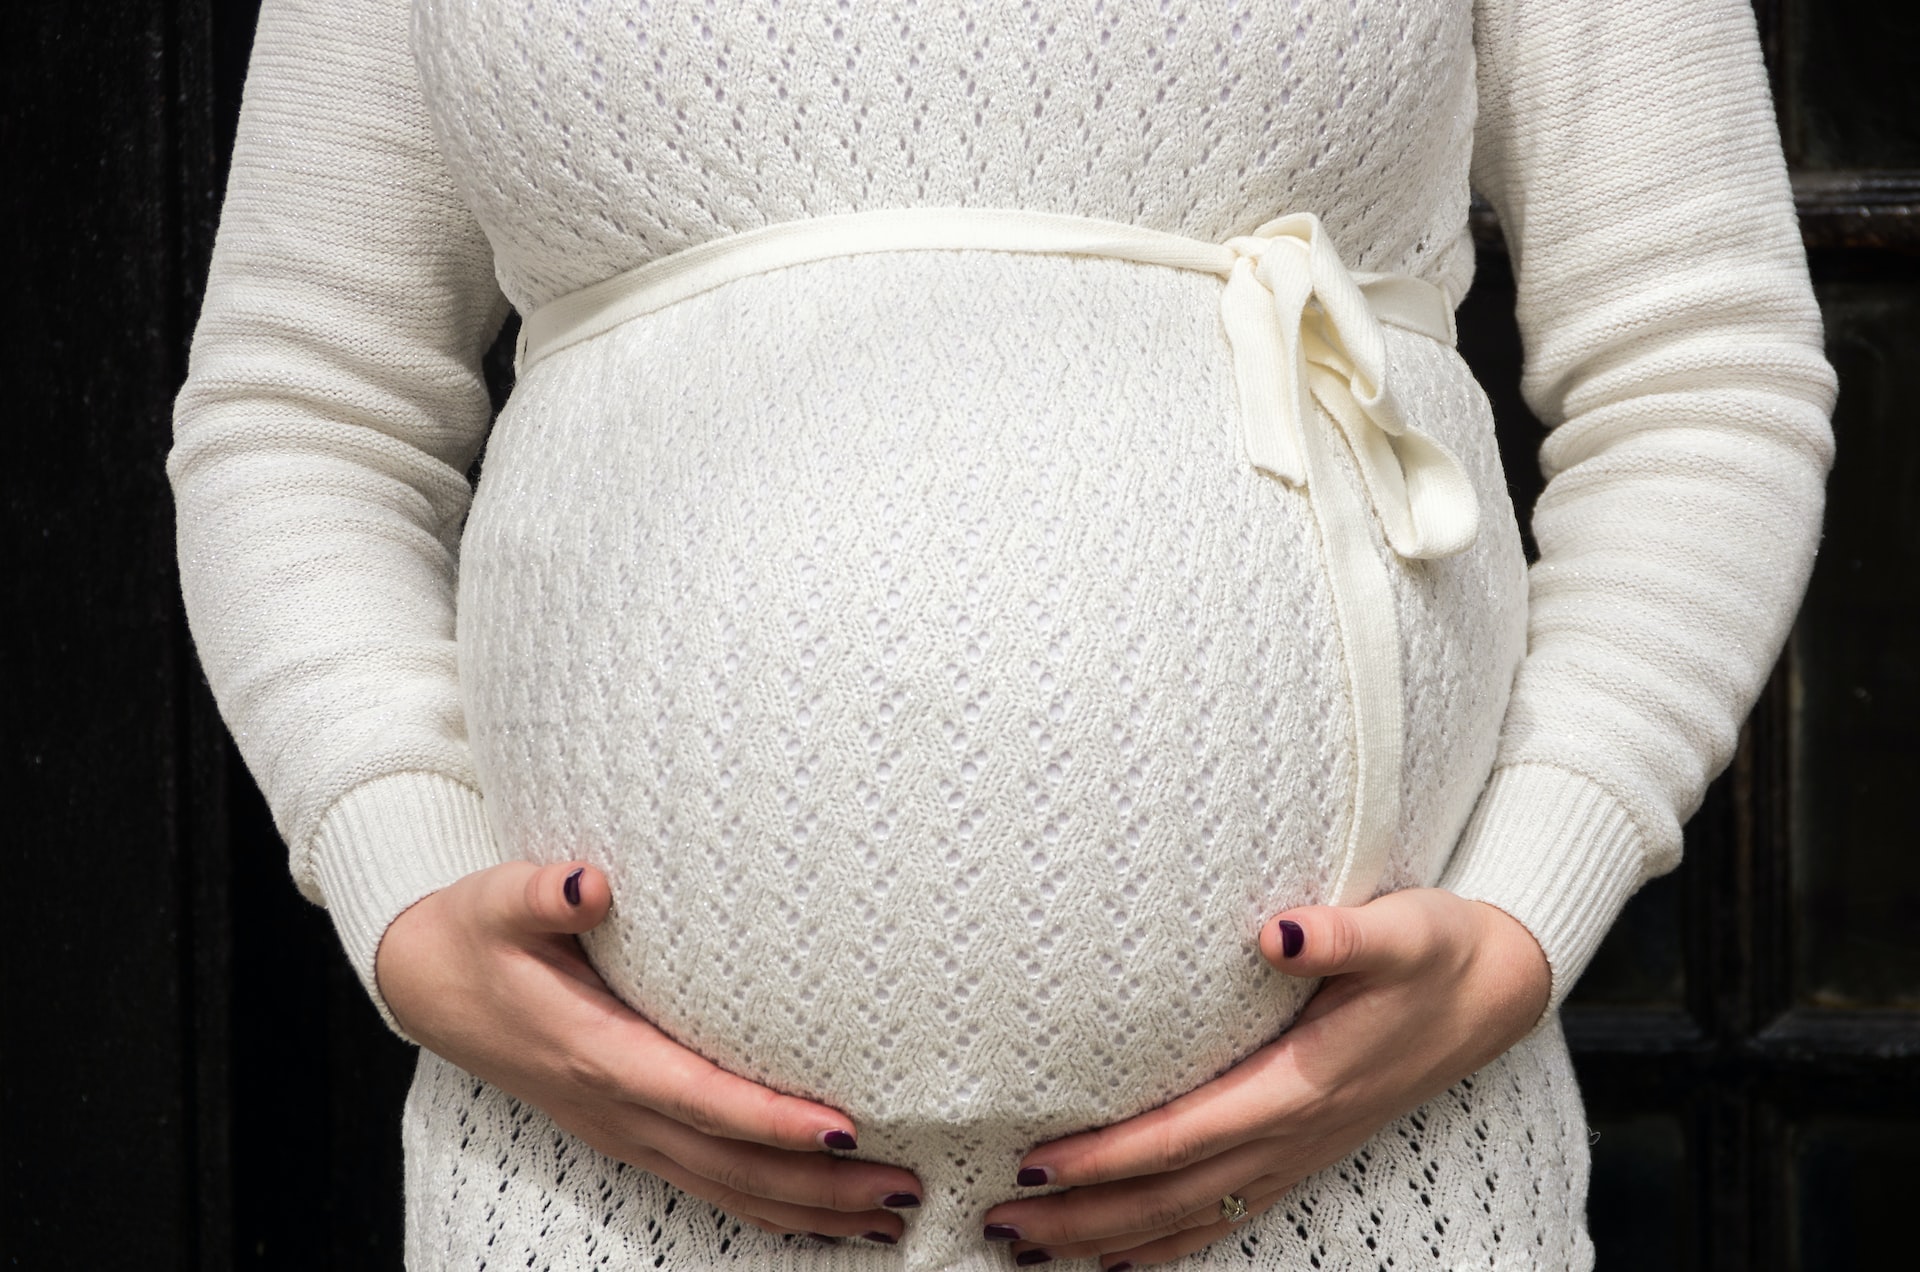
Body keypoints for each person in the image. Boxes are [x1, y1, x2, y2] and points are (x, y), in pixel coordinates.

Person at [169, 0, 1836, 1268]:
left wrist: (1526, 908)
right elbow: (308, 405)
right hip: (591, 1190)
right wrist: (398, 874)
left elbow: (1698, 363)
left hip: (1366, 1174)